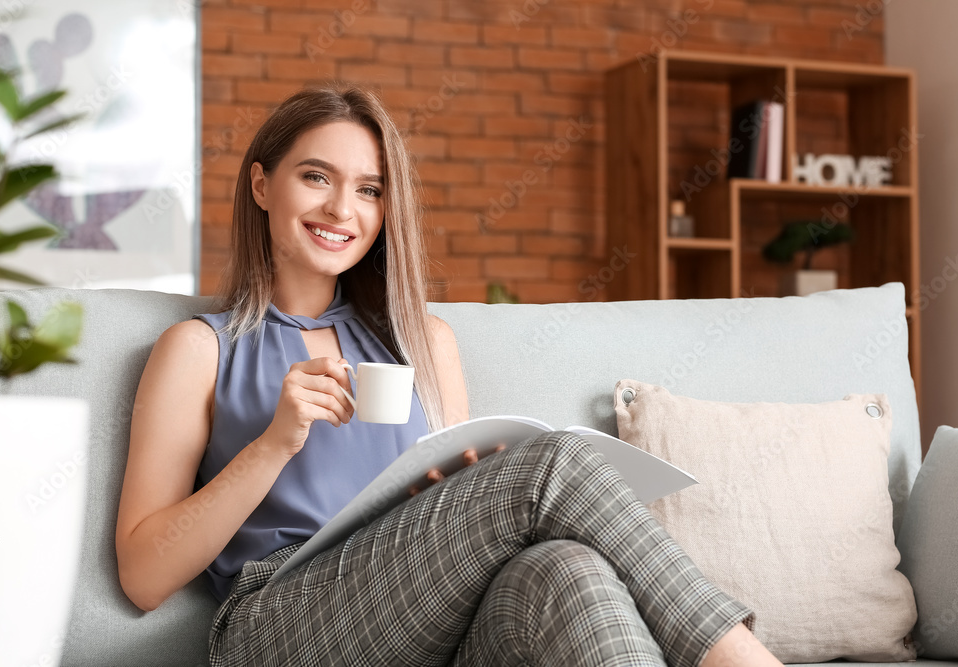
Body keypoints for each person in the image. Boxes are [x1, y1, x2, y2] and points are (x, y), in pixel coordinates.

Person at [115, 81, 784, 667]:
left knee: (569, 570)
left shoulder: (424, 344)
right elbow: (144, 574)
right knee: (555, 463)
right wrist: (273, 444)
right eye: (316, 176)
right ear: (262, 184)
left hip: (425, 626)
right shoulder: (202, 349)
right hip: (276, 631)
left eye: (369, 189)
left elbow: (457, 509)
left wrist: (444, 498)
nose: (343, 209)